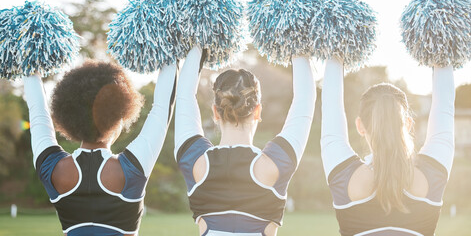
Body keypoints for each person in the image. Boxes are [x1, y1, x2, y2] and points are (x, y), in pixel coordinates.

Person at [24, 60, 178, 235]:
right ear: (118, 116)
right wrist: (169, 54)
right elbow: (163, 107)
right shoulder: (132, 168)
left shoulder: (51, 168)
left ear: (68, 116)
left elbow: (38, 113)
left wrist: (29, 56)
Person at [174, 46, 316, 236]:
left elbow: (184, 95)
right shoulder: (275, 165)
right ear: (257, 111)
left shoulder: (194, 162)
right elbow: (305, 100)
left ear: (216, 112)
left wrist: (197, 43)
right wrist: (296, 43)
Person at [320, 57, 455, 235]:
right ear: (407, 124)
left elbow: (330, 106)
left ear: (360, 126)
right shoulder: (431, 174)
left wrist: (336, 48)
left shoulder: (344, 176)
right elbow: (444, 105)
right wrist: (440, 46)